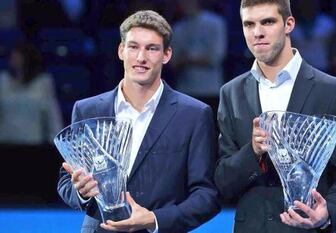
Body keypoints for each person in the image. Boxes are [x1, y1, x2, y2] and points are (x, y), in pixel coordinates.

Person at [57, 10, 220, 233]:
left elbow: (206, 196)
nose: (141, 57)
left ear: (167, 54)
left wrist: (154, 219)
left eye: (151, 48)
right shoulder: (88, 109)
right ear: (121, 50)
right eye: (133, 47)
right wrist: (81, 191)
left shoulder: (194, 114)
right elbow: (66, 182)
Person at [214, 1, 336, 233]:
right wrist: (253, 152)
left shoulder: (334, 90)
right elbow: (223, 181)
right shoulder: (231, 93)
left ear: (289, 24)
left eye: (267, 22)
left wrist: (327, 214)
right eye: (249, 24)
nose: (257, 32)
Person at [0, 43, 63, 145]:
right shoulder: (2, 81)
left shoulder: (43, 82)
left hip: (32, 146)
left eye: (18, 55)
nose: (13, 58)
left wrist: (57, 145)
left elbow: (52, 115)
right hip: (5, 144)